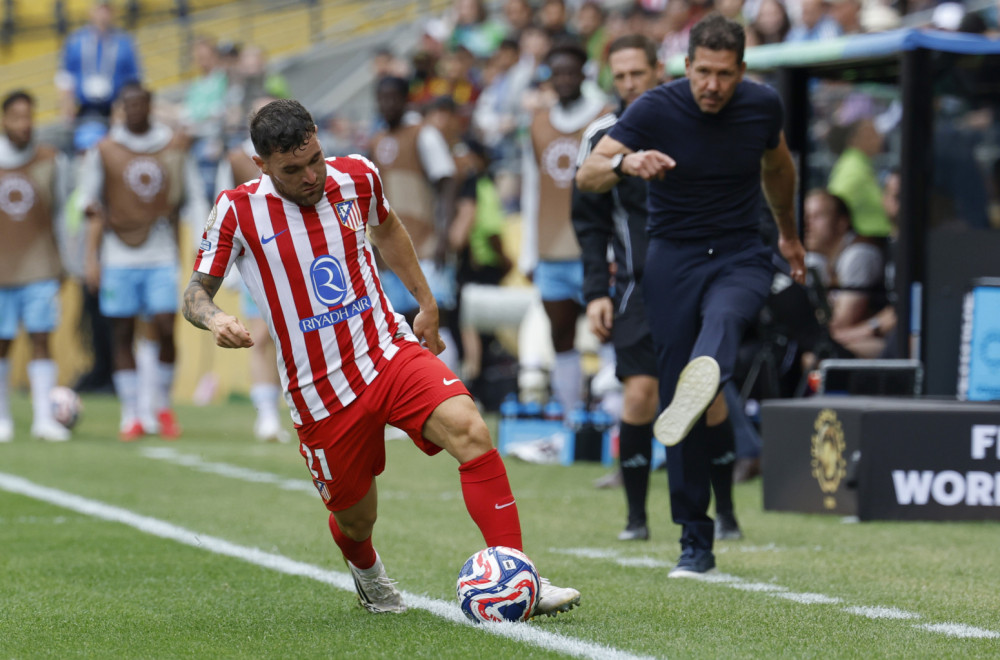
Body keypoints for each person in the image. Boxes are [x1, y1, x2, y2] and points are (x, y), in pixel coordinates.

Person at [182, 99, 581, 616]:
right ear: (262, 166)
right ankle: (368, 574)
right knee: (356, 519)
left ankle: (520, 574)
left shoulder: (358, 176)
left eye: (315, 159)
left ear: (319, 139)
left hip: (385, 350)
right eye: (292, 170)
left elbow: (388, 229)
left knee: (471, 429)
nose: (310, 176)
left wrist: (427, 302)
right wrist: (216, 320)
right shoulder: (237, 209)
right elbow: (195, 292)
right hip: (319, 390)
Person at [576, 13, 806, 576]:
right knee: (683, 403)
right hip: (672, 260)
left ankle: (709, 365)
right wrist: (628, 161)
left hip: (739, 252)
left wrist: (790, 235)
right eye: (703, 72)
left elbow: (779, 168)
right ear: (685, 67)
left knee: (725, 319)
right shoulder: (654, 109)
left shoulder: (762, 105)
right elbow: (589, 174)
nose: (712, 85)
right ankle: (694, 542)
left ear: (741, 71)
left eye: (725, 74)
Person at [573, 34, 743, 543]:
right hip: (636, 287)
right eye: (620, 76)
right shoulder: (601, 137)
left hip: (702, 280)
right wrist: (595, 292)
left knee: (707, 397)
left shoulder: (696, 120)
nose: (628, 84)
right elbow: (589, 222)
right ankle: (636, 519)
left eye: (637, 74)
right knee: (641, 394)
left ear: (660, 71)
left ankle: (728, 514)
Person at [80, 82, 200, 442]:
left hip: (161, 250)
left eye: (141, 104)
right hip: (118, 254)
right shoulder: (104, 150)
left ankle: (160, 405)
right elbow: (90, 204)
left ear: (149, 106)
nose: (135, 111)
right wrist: (91, 258)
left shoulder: (173, 146)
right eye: (128, 105)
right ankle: (132, 412)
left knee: (165, 325)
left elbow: (194, 196)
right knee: (122, 332)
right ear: (121, 109)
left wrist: (200, 243)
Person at [520, 40, 612, 416]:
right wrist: (529, 251)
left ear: (585, 73)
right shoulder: (538, 124)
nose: (564, 80)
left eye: (571, 72)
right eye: (557, 74)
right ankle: (573, 417)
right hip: (551, 250)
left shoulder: (605, 117)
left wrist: (612, 251)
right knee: (560, 336)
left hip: (595, 249)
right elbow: (530, 188)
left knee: (609, 332)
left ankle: (616, 418)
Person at [370, 79, 461, 372]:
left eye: (393, 97)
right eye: (382, 98)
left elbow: (446, 183)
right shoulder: (377, 140)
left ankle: (451, 387)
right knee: (404, 323)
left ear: (406, 99)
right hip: (391, 251)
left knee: (435, 318)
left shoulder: (424, 134)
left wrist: (444, 237)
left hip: (426, 244)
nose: (387, 104)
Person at [213, 112, 289, 443]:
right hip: (258, 258)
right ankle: (268, 415)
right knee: (260, 335)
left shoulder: (292, 152)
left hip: (295, 255)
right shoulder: (239, 157)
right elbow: (223, 204)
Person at [0, 90, 71, 442]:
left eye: (28, 116)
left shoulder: (50, 159)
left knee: (41, 338)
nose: (23, 124)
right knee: (2, 343)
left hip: (41, 265)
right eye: (16, 117)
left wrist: (65, 262)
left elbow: (60, 214)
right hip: (1, 270)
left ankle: (44, 418)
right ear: (3, 120)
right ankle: (3, 419)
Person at [55, 0, 142, 140]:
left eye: (107, 10)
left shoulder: (125, 42)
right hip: (85, 107)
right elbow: (65, 77)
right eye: (99, 10)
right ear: (91, 12)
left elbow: (134, 80)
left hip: (117, 108)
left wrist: (122, 107)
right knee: (87, 139)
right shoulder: (75, 40)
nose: (103, 15)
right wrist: (66, 105)